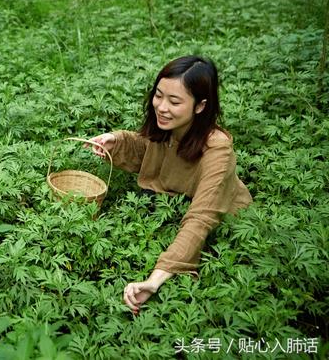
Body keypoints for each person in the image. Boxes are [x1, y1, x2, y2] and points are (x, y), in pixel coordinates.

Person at [86, 56, 252, 315]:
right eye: (159, 96)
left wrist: (155, 279)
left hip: (224, 222)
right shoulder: (170, 126)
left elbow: (201, 217)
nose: (162, 107)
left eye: (174, 101)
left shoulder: (217, 149)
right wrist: (116, 141)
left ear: (200, 106)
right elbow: (150, 147)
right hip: (169, 204)